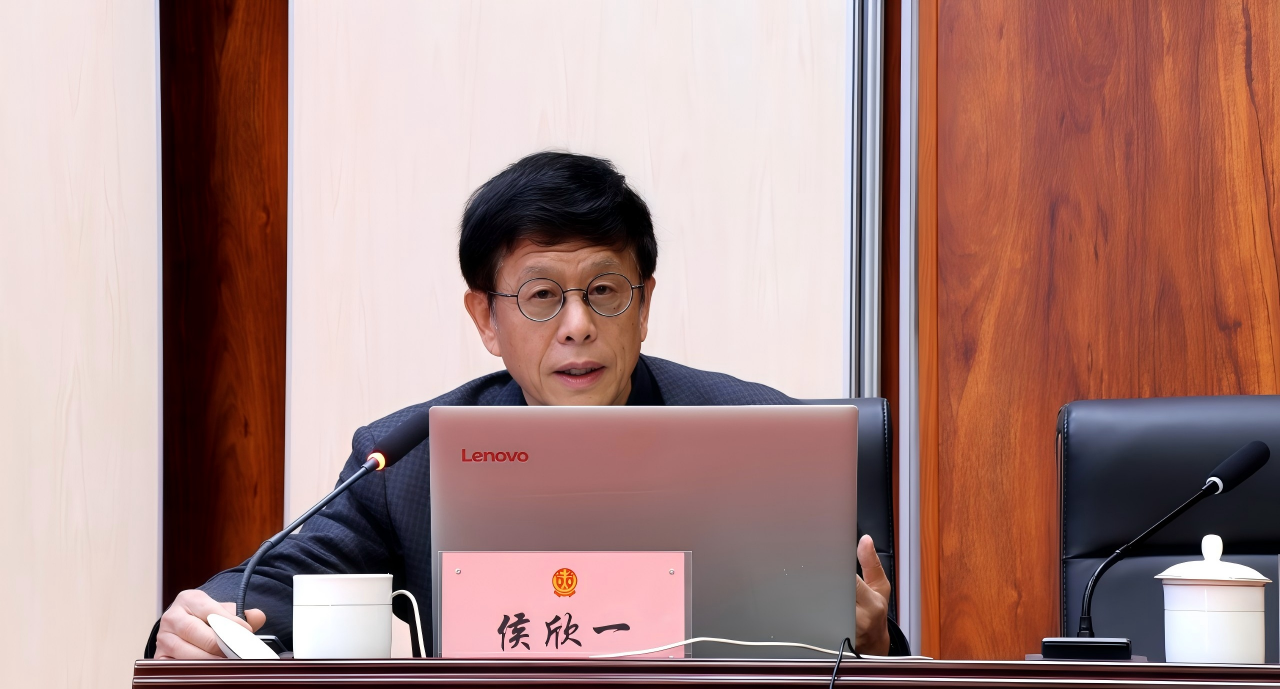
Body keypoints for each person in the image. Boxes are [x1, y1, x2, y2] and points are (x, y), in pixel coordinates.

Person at [147, 152, 910, 659]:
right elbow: (269, 589)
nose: (577, 324)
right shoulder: (406, 463)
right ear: (486, 318)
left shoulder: (759, 440)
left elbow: (869, 642)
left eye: (604, 290)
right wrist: (203, 617)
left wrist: (874, 645)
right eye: (543, 295)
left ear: (644, 305)